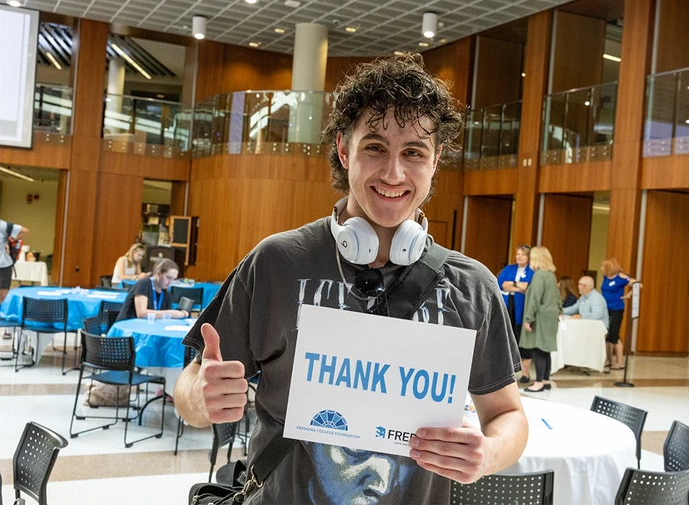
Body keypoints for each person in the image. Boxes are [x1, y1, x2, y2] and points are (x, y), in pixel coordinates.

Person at [173, 55, 528, 504]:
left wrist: (490, 453)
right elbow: (189, 384)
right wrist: (200, 400)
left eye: (414, 153)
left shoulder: (471, 286)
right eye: (375, 147)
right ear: (344, 149)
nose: (394, 174)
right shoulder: (277, 263)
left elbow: (507, 413)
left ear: (436, 161)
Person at [520, 246, 561, 393]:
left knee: (538, 349)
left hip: (540, 317)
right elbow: (557, 296)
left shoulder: (539, 276)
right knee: (546, 350)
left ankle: (538, 383)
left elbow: (534, 299)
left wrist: (528, 318)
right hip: (550, 316)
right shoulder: (551, 275)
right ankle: (546, 380)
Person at [497, 245, 534, 384]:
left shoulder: (532, 271)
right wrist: (519, 286)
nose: (519, 256)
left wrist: (512, 285)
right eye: (517, 254)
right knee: (507, 337)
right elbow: (501, 284)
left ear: (528, 257)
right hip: (508, 307)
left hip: (522, 309)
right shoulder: (509, 269)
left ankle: (525, 373)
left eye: (522, 254)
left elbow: (529, 287)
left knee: (523, 339)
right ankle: (505, 372)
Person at [115, 259, 188, 321]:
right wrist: (170, 313)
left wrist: (179, 313)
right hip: (128, 330)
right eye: (168, 277)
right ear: (159, 274)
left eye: (173, 279)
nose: (170, 282)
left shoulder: (166, 293)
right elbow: (141, 314)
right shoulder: (144, 284)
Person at [600, 257, 636, 370]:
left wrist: (629, 294)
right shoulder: (606, 277)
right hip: (606, 308)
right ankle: (608, 359)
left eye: (603, 266)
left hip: (616, 308)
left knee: (614, 334)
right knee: (607, 334)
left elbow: (638, 284)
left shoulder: (621, 277)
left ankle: (620, 361)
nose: (601, 268)